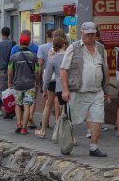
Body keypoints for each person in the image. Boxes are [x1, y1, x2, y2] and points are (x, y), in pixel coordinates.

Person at [60, 22, 110, 157]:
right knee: (72, 119)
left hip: (96, 91)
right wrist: (65, 90)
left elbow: (105, 69)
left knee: (97, 118)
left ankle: (94, 147)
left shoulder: (101, 48)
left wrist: (106, 90)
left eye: (93, 34)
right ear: (81, 33)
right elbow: (64, 70)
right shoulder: (73, 48)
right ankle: (66, 143)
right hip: (77, 90)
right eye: (88, 34)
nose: (90, 36)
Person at [7, 33, 39, 135]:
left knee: (17, 104)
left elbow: (10, 71)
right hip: (30, 85)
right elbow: (37, 71)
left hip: (17, 85)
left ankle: (19, 123)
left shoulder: (13, 57)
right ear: (29, 43)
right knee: (26, 106)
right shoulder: (34, 57)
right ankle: (24, 128)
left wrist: (10, 82)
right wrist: (37, 82)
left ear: (20, 43)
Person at [38, 35, 67, 138]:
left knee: (48, 106)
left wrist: (44, 90)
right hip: (65, 85)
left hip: (52, 83)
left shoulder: (52, 59)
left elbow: (47, 77)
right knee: (66, 110)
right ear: (64, 45)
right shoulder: (69, 56)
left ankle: (43, 130)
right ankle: (70, 136)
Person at [36, 28, 56, 134]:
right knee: (57, 102)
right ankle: (58, 122)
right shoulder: (60, 47)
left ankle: (45, 123)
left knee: (47, 101)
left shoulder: (42, 48)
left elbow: (40, 63)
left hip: (47, 75)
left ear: (46, 36)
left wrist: (38, 77)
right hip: (58, 76)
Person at [0, 27, 14, 94]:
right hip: (13, 71)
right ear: (9, 34)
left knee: (2, 92)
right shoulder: (13, 44)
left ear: (1, 33)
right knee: (13, 91)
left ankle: (6, 104)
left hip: (2, 71)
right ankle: (12, 104)